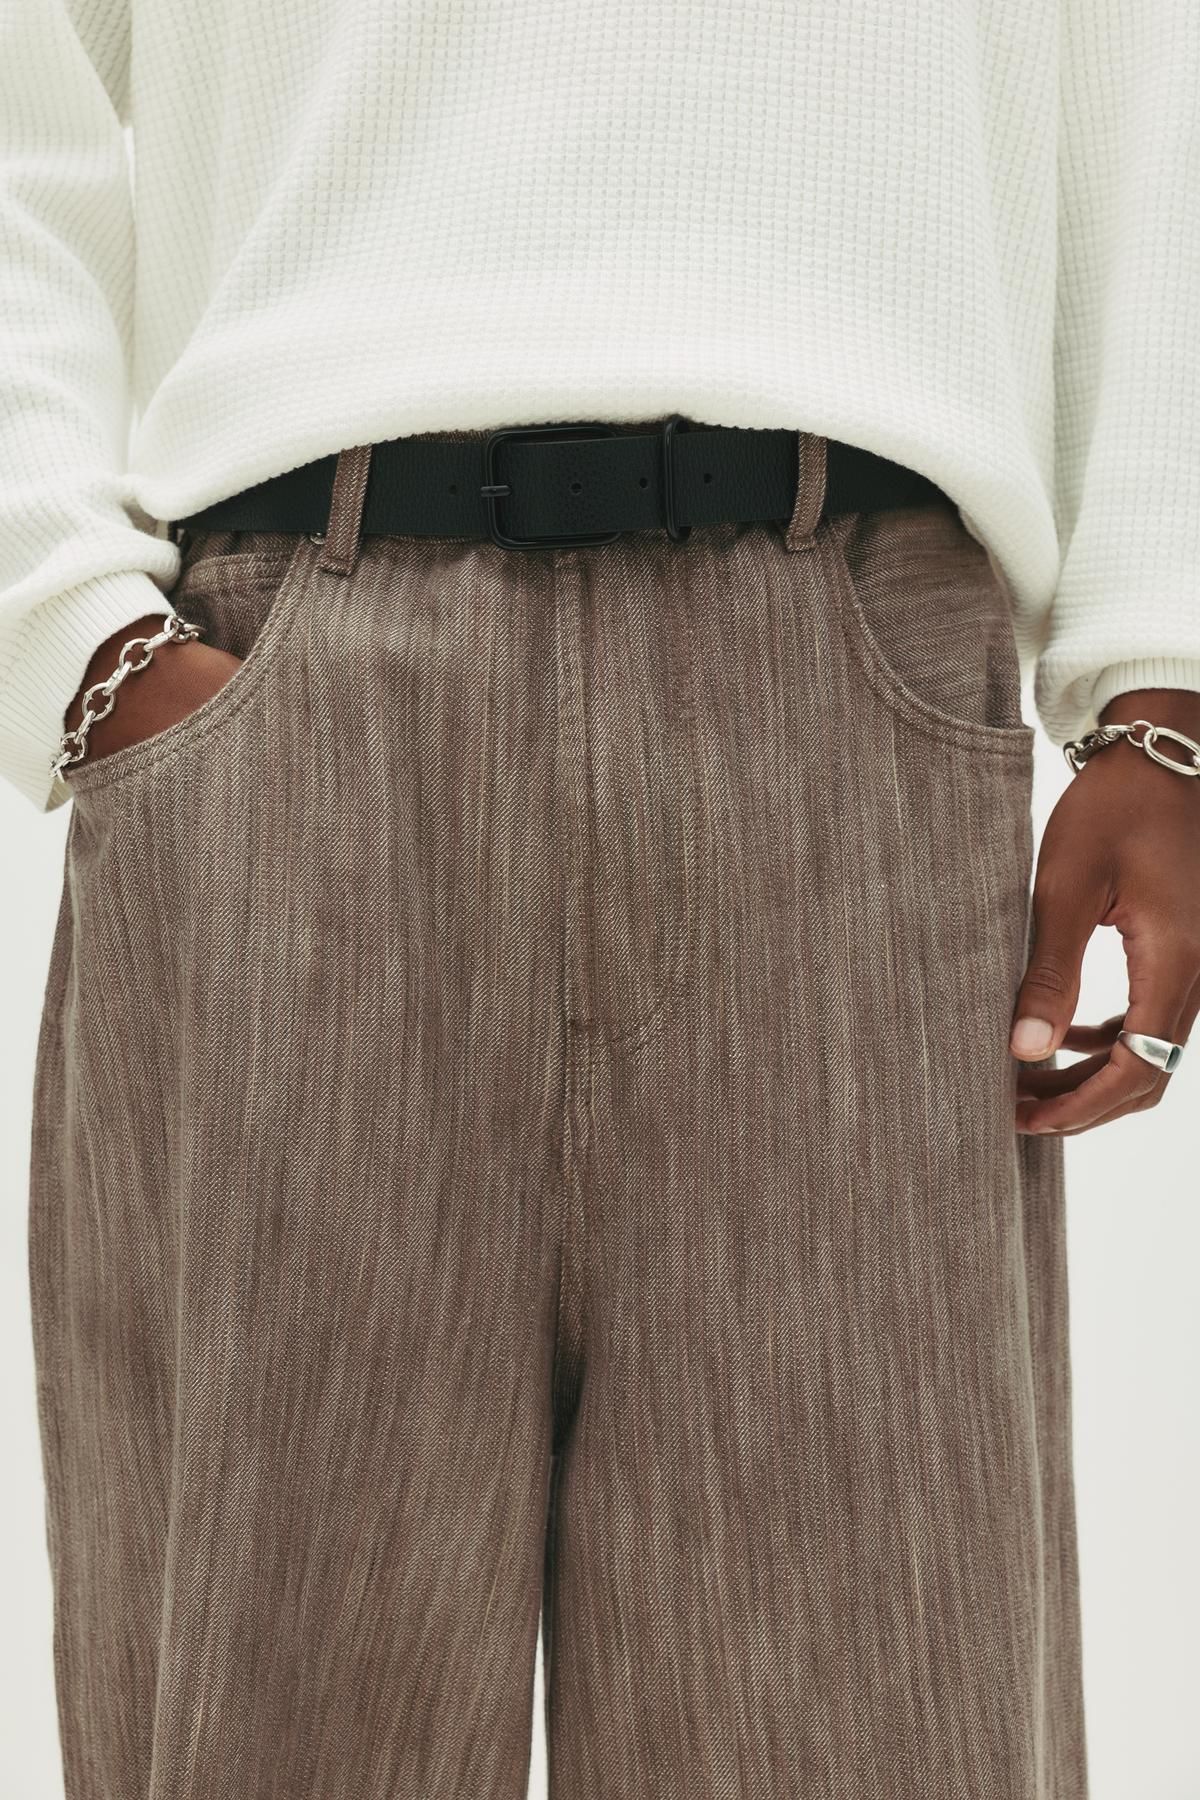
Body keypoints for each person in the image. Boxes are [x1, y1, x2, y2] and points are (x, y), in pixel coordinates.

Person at [3, 1, 1198, 1795]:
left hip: (854, 686)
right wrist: (67, 623)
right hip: (290, 697)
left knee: (878, 1725)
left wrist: (1166, 666)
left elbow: (1149, 62)